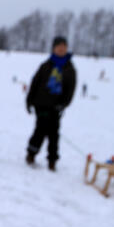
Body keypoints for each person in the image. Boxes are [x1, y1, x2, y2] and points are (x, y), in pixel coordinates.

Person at [25, 36, 76, 171]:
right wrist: (29, 101)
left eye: (63, 46)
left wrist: (64, 104)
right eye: (58, 46)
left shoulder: (70, 69)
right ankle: (31, 154)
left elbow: (71, 89)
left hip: (56, 106)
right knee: (40, 130)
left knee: (54, 134)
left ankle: (52, 160)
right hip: (41, 103)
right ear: (53, 48)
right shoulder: (45, 65)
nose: (61, 48)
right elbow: (35, 83)